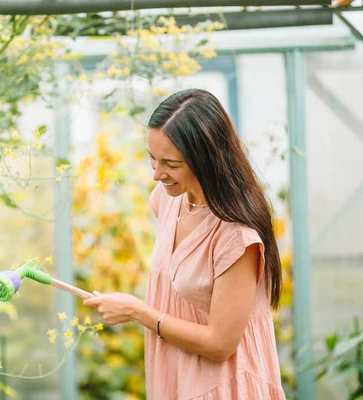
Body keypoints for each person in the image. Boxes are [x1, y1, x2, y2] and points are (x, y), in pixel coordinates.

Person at [84, 89, 286, 399]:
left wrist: (138, 312)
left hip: (224, 386)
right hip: (177, 377)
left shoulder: (236, 236)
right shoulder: (166, 202)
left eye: (170, 164)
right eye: (152, 158)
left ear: (206, 159)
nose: (156, 174)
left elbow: (220, 345)